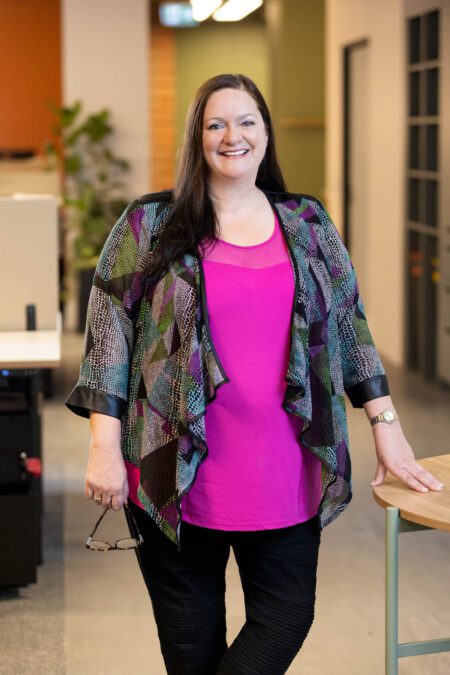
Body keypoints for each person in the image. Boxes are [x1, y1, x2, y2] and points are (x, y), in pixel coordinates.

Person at [65, 73, 443, 675]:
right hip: (175, 474)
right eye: (216, 123)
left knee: (286, 617)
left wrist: (387, 427)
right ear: (197, 137)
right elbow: (108, 339)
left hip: (284, 469)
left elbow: (351, 326)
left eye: (247, 122)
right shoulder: (149, 223)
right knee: (192, 652)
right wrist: (103, 448)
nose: (232, 136)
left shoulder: (308, 222)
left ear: (266, 134)